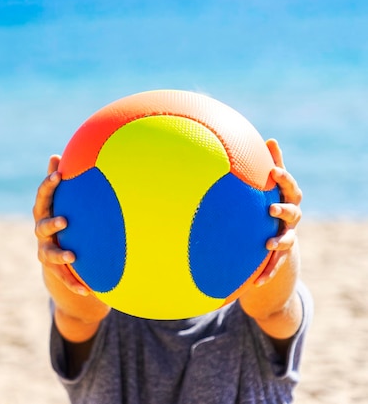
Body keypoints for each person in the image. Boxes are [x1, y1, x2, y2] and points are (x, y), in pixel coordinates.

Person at [32, 139, 312, 404]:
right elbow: (78, 311)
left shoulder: (246, 316)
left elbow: (274, 307)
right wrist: (59, 246)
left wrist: (278, 233)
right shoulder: (108, 304)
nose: (176, 210)